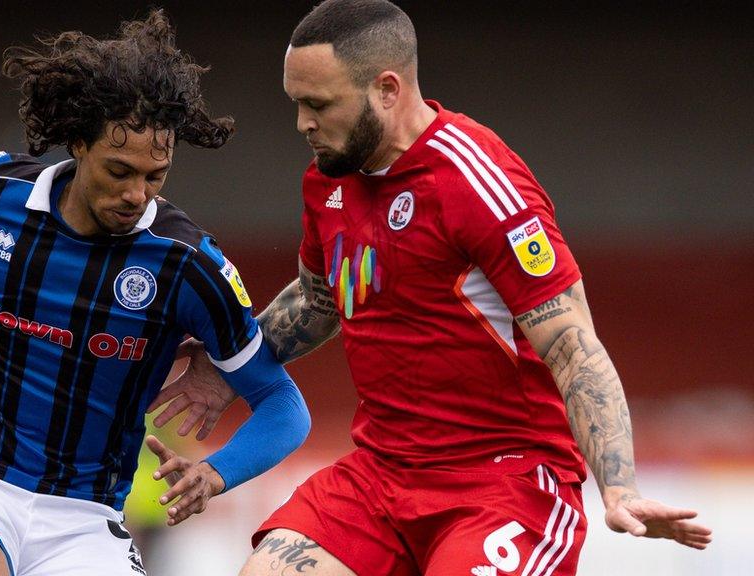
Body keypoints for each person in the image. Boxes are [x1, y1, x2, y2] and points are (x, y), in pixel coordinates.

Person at [148, 1, 713, 574]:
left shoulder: (476, 181)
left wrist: (619, 487)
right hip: (381, 475)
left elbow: (573, 346)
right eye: (296, 104)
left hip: (504, 484)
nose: (303, 124)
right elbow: (320, 299)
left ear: (387, 89)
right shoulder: (326, 182)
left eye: (318, 105)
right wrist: (227, 366)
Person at [0, 10, 310, 576]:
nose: (136, 194)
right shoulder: (1, 194)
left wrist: (217, 472)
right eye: (119, 171)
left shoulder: (188, 266)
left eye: (155, 176)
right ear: (77, 144)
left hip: (83, 514)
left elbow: (285, 407)